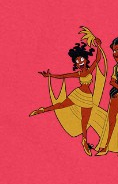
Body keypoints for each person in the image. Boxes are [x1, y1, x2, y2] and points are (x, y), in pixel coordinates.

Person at [29, 26, 108, 156]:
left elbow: (98, 59)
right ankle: (42, 109)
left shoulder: (89, 70)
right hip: (78, 94)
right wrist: (50, 76)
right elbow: (63, 76)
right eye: (77, 62)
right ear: (76, 65)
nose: (80, 62)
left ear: (85, 60)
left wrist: (99, 46)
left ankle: (84, 141)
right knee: (61, 105)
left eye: (81, 60)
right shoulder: (79, 74)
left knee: (85, 121)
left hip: (87, 98)